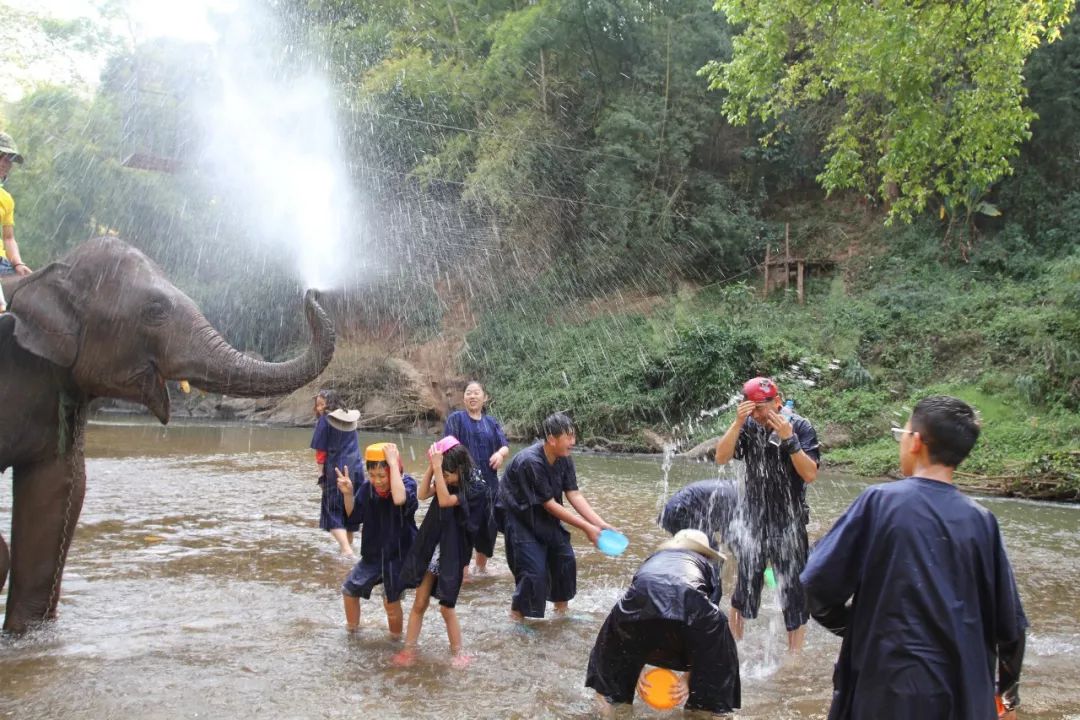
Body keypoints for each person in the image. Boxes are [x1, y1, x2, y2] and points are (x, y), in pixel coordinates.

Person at [800, 396, 1027, 720]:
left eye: (902, 434)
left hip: (884, 691)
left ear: (916, 442)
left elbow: (815, 585)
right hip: (963, 697)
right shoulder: (982, 522)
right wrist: (1007, 697)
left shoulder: (879, 502)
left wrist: (859, 626)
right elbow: (1011, 628)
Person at [585, 529, 741, 718]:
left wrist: (633, 664)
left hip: (634, 609)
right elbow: (706, 635)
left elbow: (638, 606)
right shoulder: (708, 566)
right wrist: (690, 678)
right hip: (692, 607)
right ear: (705, 553)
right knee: (713, 687)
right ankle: (707, 710)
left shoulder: (655, 559)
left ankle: (608, 712)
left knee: (608, 683)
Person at [713, 376, 819, 652]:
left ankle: (793, 658)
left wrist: (789, 440)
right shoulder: (747, 427)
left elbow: (810, 474)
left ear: (778, 401)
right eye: (753, 408)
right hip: (754, 519)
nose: (759, 414)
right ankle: (734, 647)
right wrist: (737, 423)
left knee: (794, 593)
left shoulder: (801, 427)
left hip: (790, 521)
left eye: (764, 407)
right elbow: (721, 458)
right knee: (745, 588)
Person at [498, 411, 617, 622]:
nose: (573, 442)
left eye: (573, 436)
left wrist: (599, 523)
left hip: (543, 514)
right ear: (552, 439)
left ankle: (561, 613)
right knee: (533, 572)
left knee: (565, 560)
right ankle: (516, 618)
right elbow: (550, 505)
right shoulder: (531, 462)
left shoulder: (564, 458)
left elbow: (573, 493)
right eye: (568, 437)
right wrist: (587, 528)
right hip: (520, 516)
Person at [393, 438, 482, 667]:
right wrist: (432, 467)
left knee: (446, 606)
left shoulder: (474, 487)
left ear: (461, 469)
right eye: (442, 473)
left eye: (448, 474)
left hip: (453, 551)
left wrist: (438, 470)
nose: (445, 477)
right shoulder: (445, 476)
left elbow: (443, 500)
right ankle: (409, 649)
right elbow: (423, 495)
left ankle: (458, 652)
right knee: (419, 602)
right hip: (432, 546)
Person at [337, 442, 418, 636]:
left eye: (382, 475)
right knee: (349, 590)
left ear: (395, 470)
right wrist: (348, 494)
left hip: (399, 555)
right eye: (372, 476)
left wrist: (392, 463)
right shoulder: (367, 488)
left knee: (390, 603)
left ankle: (395, 640)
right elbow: (354, 516)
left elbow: (399, 499)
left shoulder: (407, 484)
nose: (378, 481)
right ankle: (353, 633)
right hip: (373, 555)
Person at [444, 380, 510, 575]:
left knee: (487, 529)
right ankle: (463, 573)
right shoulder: (456, 419)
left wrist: (500, 454)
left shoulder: (491, 422)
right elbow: (447, 447)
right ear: (464, 398)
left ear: (485, 397)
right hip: (463, 485)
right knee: (464, 529)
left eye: (476, 393)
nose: (472, 396)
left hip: (489, 486)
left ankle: (481, 569)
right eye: (468, 393)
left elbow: (504, 445)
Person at [657, 479, 741, 603]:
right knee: (712, 562)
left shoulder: (735, 489)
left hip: (673, 511)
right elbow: (734, 540)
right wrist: (752, 564)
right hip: (682, 512)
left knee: (693, 561)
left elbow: (731, 536)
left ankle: (675, 597)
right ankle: (710, 610)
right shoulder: (740, 500)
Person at [310, 400, 363, 557]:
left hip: (336, 470)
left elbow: (320, 453)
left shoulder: (324, 421)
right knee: (350, 511)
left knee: (332, 510)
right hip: (356, 469)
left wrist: (321, 477)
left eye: (321, 404)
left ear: (329, 405)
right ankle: (348, 549)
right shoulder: (350, 419)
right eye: (317, 404)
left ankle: (346, 550)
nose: (318, 408)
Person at [0, 131, 32, 278]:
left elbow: (8, 238)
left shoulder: (6, 199)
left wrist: (18, 263)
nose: (4, 164)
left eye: (9, 160)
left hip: (3, 264)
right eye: (2, 157)